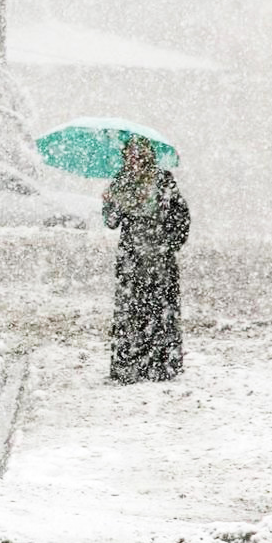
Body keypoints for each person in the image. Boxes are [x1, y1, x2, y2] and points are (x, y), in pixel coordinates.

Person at [102, 134, 191, 385]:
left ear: (148, 155)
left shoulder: (163, 181)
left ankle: (161, 366)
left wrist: (168, 244)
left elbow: (181, 216)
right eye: (130, 154)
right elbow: (111, 223)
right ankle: (130, 366)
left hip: (160, 261)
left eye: (139, 153)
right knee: (132, 312)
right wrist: (111, 204)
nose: (135, 159)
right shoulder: (120, 182)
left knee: (160, 310)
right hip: (132, 259)